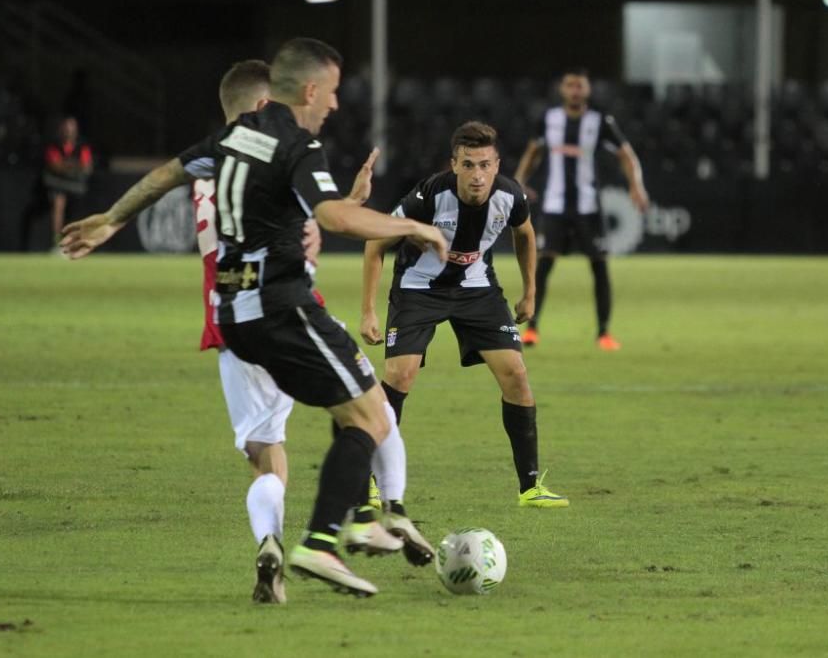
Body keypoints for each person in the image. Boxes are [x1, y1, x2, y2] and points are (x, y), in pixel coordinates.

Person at [61, 38, 447, 599]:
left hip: (232, 316)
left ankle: (357, 522)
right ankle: (329, 537)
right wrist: (409, 227)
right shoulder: (295, 144)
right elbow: (332, 216)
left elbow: (167, 173)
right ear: (310, 89)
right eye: (333, 92)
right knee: (373, 417)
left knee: (349, 410)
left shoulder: (230, 138)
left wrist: (111, 220)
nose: (336, 104)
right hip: (283, 305)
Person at [360, 121, 569, 509]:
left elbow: (524, 235)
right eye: (469, 164)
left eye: (485, 165)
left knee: (517, 375)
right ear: (454, 165)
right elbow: (376, 242)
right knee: (399, 375)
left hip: (476, 289)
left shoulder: (511, 195)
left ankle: (529, 487)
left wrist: (530, 292)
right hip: (419, 288)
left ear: (497, 165)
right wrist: (369, 310)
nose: (478, 175)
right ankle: (371, 481)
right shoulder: (427, 196)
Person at [513, 68, 650, 350]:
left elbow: (627, 155)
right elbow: (533, 152)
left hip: (588, 206)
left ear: (587, 90)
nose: (575, 90)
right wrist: (519, 182)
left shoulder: (600, 122)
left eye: (580, 86)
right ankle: (532, 329)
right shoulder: (549, 120)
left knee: (599, 266)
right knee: (543, 265)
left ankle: (604, 333)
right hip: (555, 205)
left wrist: (636, 186)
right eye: (570, 85)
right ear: (562, 89)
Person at [43, 116, 93, 248]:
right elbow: (55, 166)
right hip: (58, 184)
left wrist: (67, 165)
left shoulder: (82, 146)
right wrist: (74, 165)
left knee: (78, 213)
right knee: (58, 204)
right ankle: (57, 243)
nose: (69, 131)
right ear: (61, 130)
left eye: (72, 128)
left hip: (76, 186)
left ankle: (75, 243)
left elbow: (86, 167)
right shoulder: (54, 145)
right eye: (66, 128)